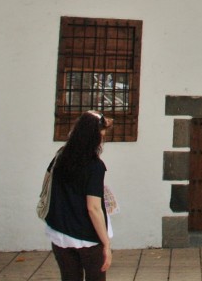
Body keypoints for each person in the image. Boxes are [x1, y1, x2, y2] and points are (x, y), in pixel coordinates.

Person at [45, 111, 113, 281]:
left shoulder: (60, 157)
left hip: (60, 232)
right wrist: (106, 243)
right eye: (101, 135)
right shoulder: (95, 166)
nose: (103, 139)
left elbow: (48, 184)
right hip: (87, 236)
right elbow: (93, 208)